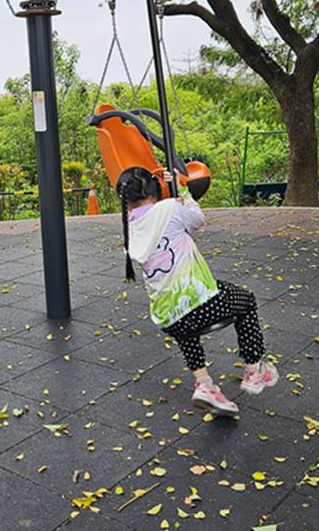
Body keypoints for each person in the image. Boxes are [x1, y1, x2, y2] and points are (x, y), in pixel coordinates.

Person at [117, 166, 277, 416]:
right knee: (246, 302)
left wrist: (173, 194)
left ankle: (204, 384)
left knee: (184, 323)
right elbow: (197, 220)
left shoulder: (131, 225)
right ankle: (254, 370)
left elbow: (162, 216)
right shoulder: (168, 209)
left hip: (165, 317)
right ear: (153, 188)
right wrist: (183, 190)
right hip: (199, 303)